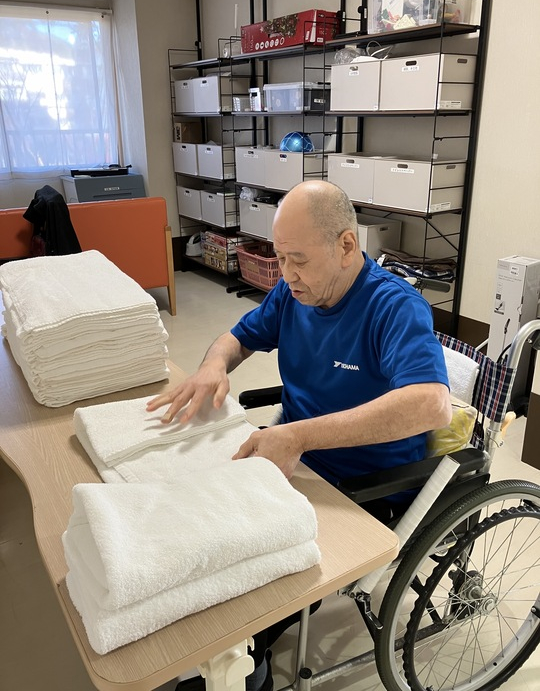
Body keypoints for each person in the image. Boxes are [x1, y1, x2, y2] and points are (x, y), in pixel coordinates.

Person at [147, 179, 452, 691]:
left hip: (363, 488)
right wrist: (213, 366)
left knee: (247, 587)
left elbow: (431, 403)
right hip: (293, 462)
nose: (286, 274)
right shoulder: (296, 294)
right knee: (193, 526)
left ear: (346, 246)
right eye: (280, 257)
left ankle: (246, 669)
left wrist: (299, 437)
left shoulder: (393, 307)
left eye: (299, 260)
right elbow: (236, 337)